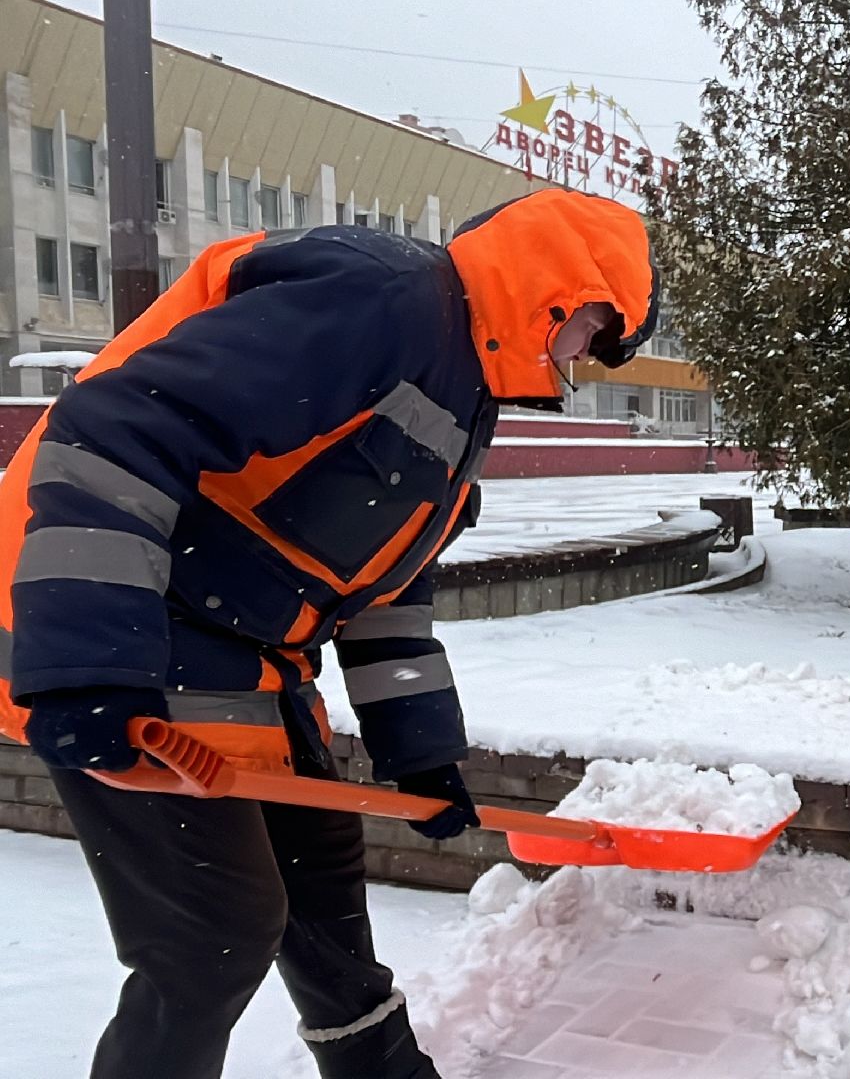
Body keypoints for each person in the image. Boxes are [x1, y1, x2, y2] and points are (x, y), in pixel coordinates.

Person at [0, 188, 660, 1078]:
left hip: (243, 650)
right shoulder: (383, 301)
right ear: (564, 293)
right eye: (591, 333)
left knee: (323, 891)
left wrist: (419, 752)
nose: (582, 360)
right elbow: (120, 426)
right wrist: (87, 667)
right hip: (123, 631)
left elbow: (385, 588)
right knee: (212, 936)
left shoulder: (463, 388)